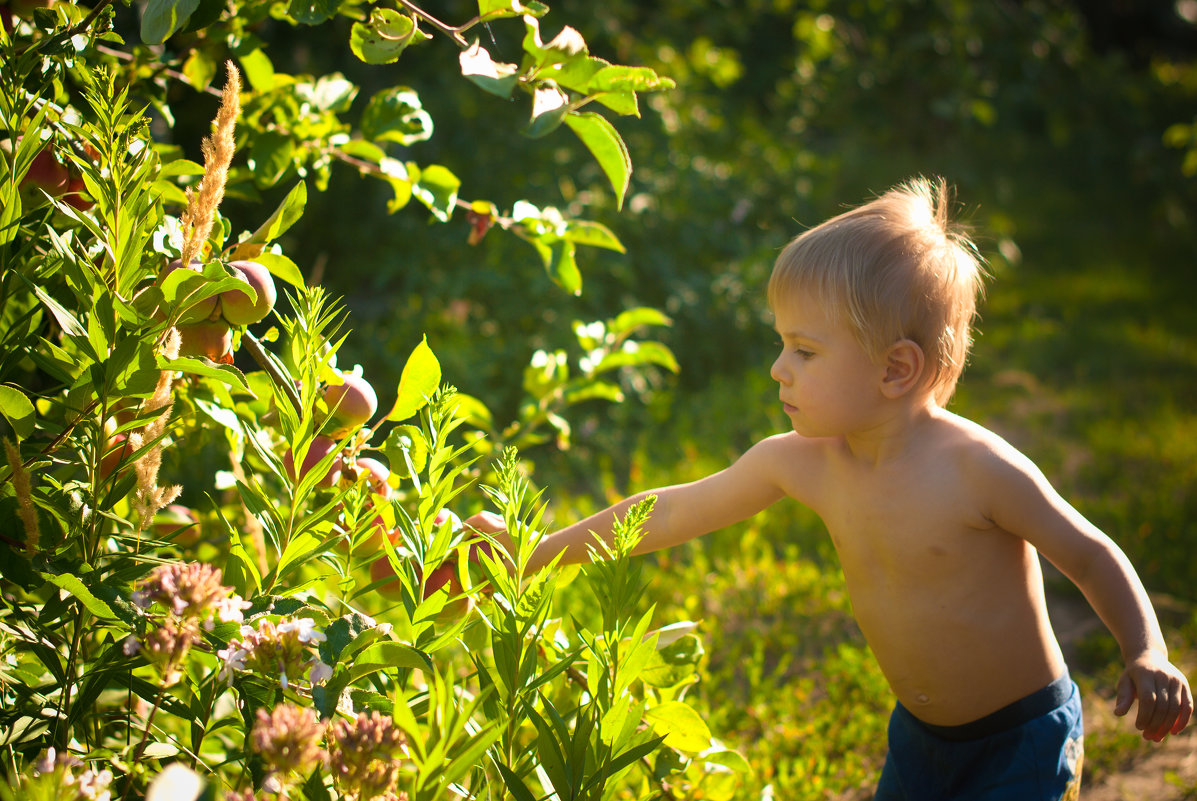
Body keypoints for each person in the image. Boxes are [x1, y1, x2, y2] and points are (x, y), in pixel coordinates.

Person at [469, 177, 1192, 799]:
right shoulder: (802, 460)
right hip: (918, 737)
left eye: (804, 351)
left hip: (1022, 737)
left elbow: (1089, 553)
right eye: (781, 343)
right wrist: (533, 552)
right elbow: (670, 508)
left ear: (894, 370)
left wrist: (1145, 648)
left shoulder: (976, 468)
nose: (778, 369)